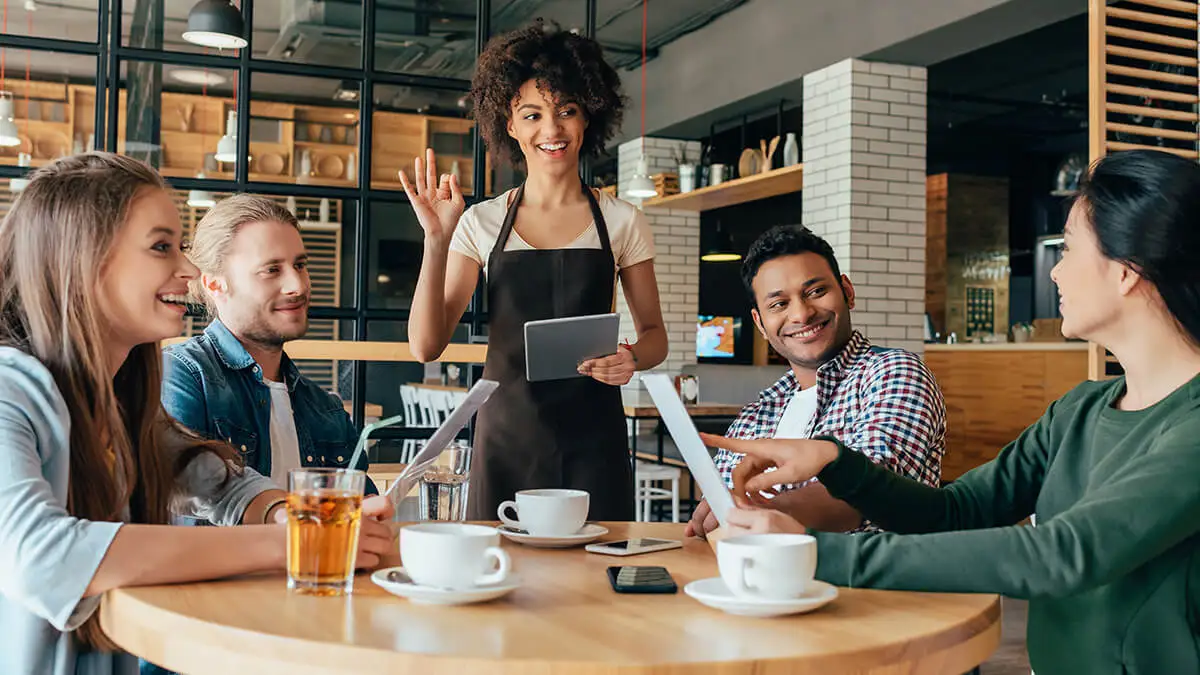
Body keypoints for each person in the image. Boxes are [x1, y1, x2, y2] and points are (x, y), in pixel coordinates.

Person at [710, 149, 1200, 675]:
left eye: (1070, 248)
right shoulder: (1078, 411)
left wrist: (807, 554)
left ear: (1126, 272)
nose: (1054, 271)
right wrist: (834, 460)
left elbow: (1064, 554)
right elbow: (953, 513)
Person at [0, 152, 392, 675]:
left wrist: (298, 517)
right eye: (162, 247)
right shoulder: (8, 389)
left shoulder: (118, 395)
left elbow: (220, 483)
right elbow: (44, 557)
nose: (188, 270)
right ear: (83, 258)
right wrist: (295, 542)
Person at [402, 21, 668, 520]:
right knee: (504, 582)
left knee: (595, 581)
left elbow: (656, 336)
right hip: (507, 435)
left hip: (595, 435)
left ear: (588, 116)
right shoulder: (480, 222)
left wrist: (631, 356)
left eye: (566, 111)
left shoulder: (622, 221)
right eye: (533, 114)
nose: (552, 130)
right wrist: (436, 241)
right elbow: (425, 346)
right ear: (509, 123)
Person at [684, 226, 945, 537]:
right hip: (753, 579)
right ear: (761, 324)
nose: (802, 314)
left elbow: (874, 491)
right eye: (779, 304)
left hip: (864, 582)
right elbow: (721, 505)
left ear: (847, 291)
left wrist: (760, 514)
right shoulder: (759, 411)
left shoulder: (894, 373)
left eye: (816, 292)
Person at [162, 195, 376, 494]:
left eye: (300, 265)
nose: (298, 286)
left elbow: (359, 519)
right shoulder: (182, 373)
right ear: (214, 283)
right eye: (271, 270)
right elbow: (183, 497)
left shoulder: (326, 410)